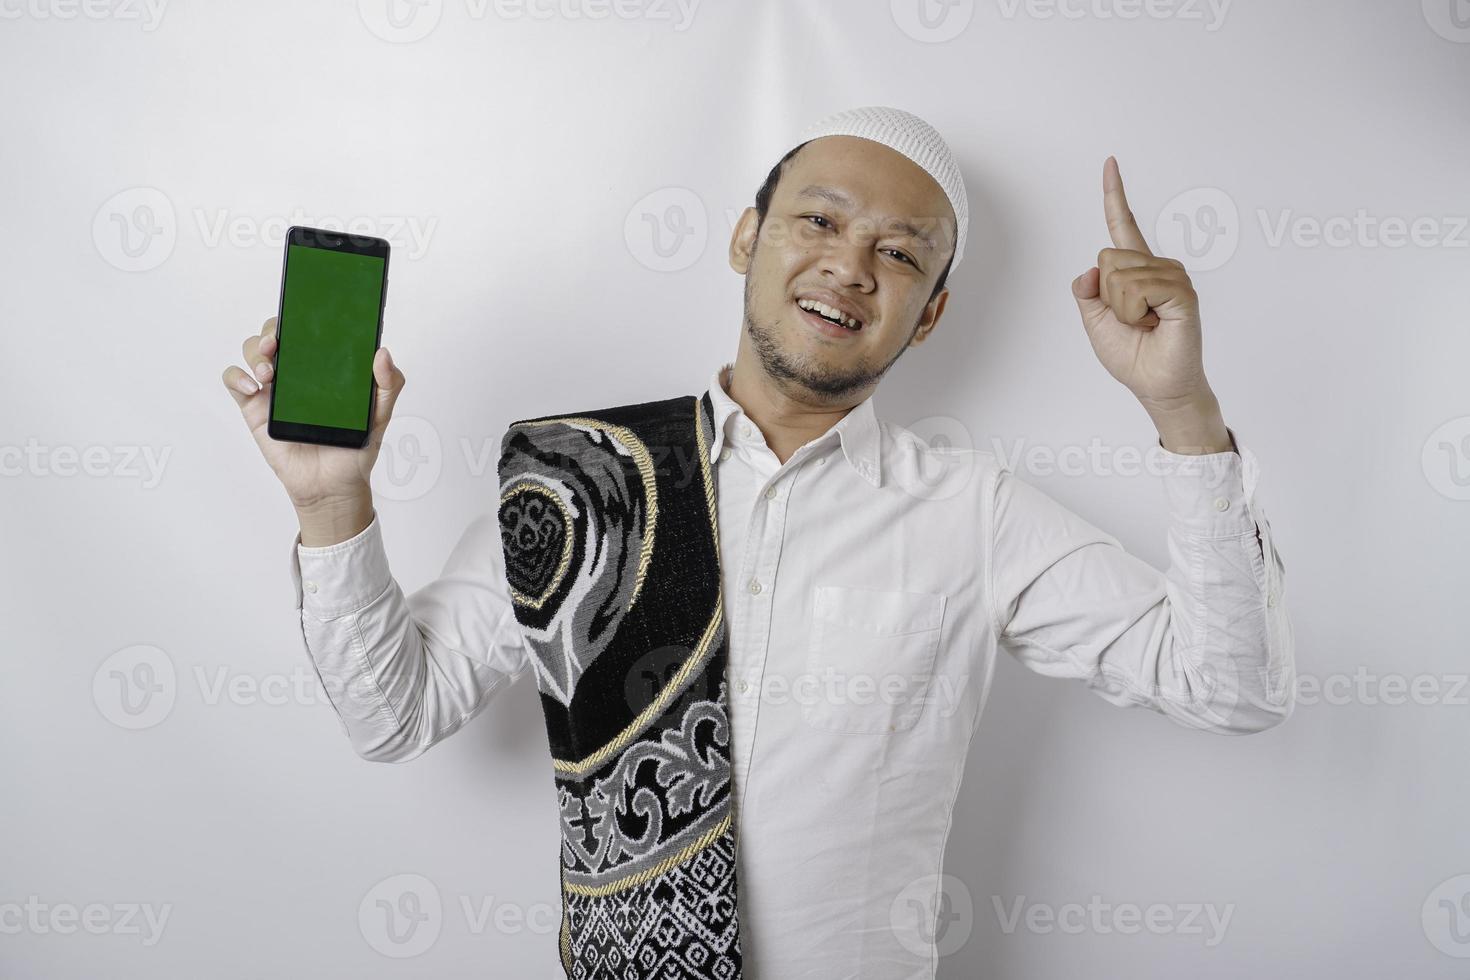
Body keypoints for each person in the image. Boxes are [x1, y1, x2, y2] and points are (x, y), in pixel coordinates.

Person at [220, 106, 1294, 979]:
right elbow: (392, 712)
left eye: (899, 252)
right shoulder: (578, 480)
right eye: (817, 222)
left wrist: (1184, 409)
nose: (850, 266)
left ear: (929, 314)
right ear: (748, 236)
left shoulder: (979, 514)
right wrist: (332, 504)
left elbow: (1231, 685)